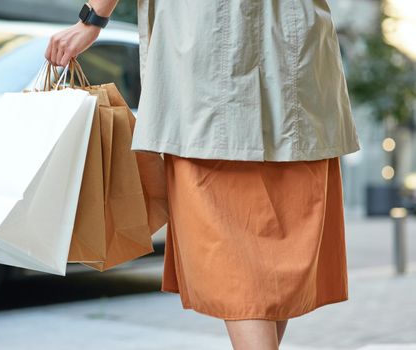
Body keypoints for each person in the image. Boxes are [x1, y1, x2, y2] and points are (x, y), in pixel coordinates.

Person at [45, 1, 361, 349]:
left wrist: (93, 18)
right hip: (295, 48)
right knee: (275, 251)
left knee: (237, 250)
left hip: (211, 49)